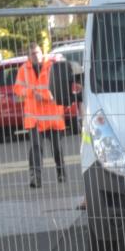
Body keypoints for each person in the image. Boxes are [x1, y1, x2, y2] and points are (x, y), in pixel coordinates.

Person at [12, 40, 73, 189]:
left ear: (42, 53)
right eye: (32, 54)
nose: (35, 56)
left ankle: (61, 172)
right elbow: (17, 89)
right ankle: (35, 178)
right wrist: (31, 92)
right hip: (34, 119)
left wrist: (44, 96)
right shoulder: (23, 69)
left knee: (57, 148)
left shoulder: (52, 66)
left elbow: (59, 88)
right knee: (35, 147)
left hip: (52, 117)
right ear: (28, 56)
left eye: (37, 52)